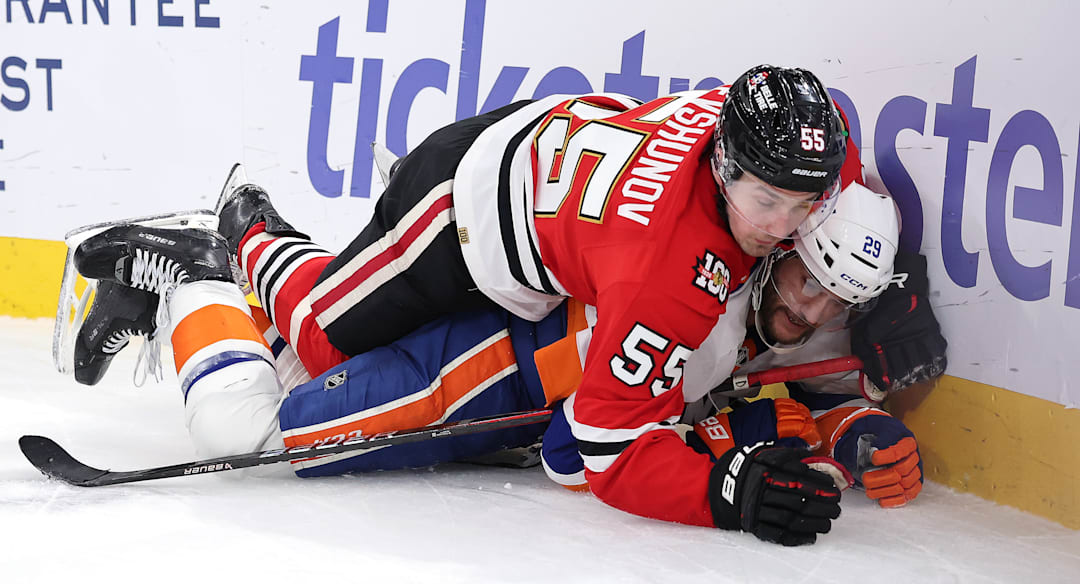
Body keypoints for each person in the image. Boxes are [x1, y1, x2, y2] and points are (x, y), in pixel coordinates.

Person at [69, 65, 908, 544]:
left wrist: (890, 310)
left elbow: (825, 151)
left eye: (807, 207)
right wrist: (724, 492)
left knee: (307, 356)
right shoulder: (668, 281)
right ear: (724, 164)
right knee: (318, 338)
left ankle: (212, 283)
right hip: (467, 207)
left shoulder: (794, 135)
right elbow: (595, 455)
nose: (783, 226)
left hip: (553, 173)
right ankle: (234, 232)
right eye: (768, 204)